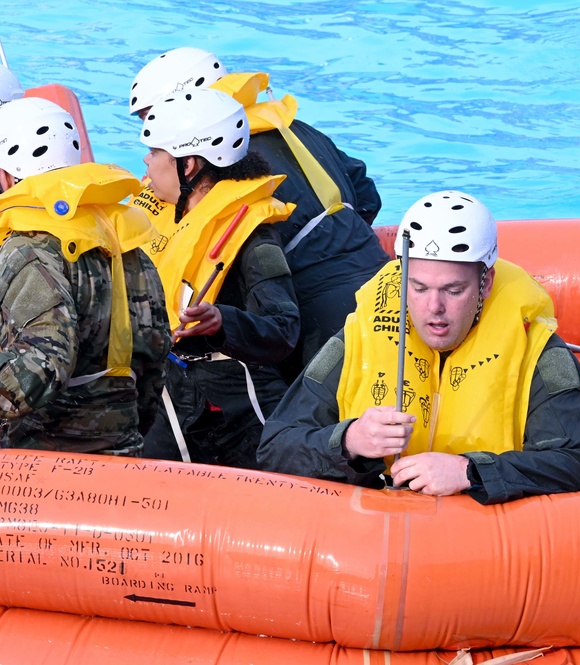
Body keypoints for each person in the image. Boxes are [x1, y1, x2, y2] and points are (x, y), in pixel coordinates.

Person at [258, 191, 580, 504]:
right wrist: (349, 441)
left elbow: (579, 462)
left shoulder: (538, 352)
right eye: (419, 288)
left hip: (485, 547)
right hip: (374, 535)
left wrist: (471, 471)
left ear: (486, 284)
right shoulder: (357, 339)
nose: (433, 308)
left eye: (453, 291)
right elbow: (275, 446)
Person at [129, 47, 389, 382]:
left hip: (314, 310)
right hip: (380, 278)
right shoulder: (292, 127)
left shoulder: (221, 166)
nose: (153, 131)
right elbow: (365, 192)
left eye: (154, 119)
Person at [135, 88, 300, 468]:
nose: (146, 161)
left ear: (187, 164)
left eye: (155, 152)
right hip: (167, 389)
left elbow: (283, 328)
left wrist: (223, 321)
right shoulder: (162, 214)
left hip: (232, 409)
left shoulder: (252, 237)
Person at [0, 97, 170, 453]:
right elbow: (154, 362)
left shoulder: (27, 249)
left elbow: (44, 363)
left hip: (41, 461)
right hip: (123, 450)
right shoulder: (124, 244)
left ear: (5, 174)